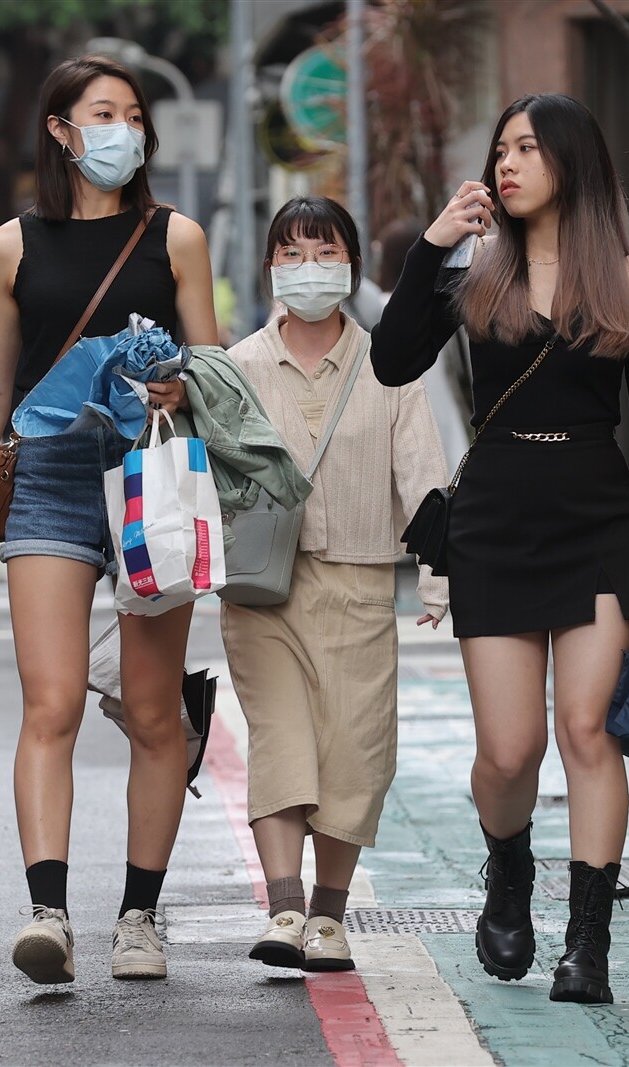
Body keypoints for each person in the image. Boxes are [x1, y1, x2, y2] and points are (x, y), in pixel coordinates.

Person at [369, 93, 629, 1006]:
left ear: (572, 160)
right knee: (511, 751)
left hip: (598, 518)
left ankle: (588, 944)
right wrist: (430, 246)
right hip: (494, 522)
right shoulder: (473, 272)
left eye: (526, 148)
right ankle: (508, 868)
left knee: (586, 730)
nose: (507, 164)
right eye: (501, 149)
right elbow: (392, 360)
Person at [0, 55, 217, 985]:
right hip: (52, 474)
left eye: (134, 115)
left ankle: (139, 917)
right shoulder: (9, 247)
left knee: (150, 711)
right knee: (52, 700)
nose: (124, 130)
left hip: (154, 470)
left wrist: (182, 379)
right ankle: (48, 912)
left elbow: (213, 364)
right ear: (60, 129)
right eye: (103, 113)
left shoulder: (175, 236)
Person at [223, 197, 449, 973]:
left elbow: (422, 474)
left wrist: (437, 575)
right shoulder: (238, 366)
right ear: (269, 268)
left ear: (351, 266)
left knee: (354, 751)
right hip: (263, 591)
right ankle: (285, 908)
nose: (308, 267)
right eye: (291, 252)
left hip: (359, 583)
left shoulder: (391, 363)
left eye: (323, 251)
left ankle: (329, 916)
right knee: (282, 738)